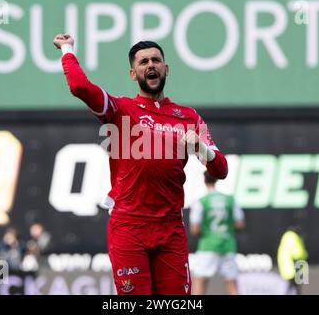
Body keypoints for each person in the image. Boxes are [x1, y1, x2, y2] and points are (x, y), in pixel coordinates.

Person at [53, 34, 228, 295]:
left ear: (166, 69)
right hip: (129, 228)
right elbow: (80, 87)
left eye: (156, 60)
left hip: (170, 230)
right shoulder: (120, 109)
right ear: (133, 73)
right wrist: (67, 49)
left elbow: (221, 171)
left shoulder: (188, 117)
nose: (151, 65)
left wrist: (201, 148)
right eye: (143, 61)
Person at [189, 171, 245, 295]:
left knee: (200, 282)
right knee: (232, 285)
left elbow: (195, 229)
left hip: (208, 245)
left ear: (204, 181)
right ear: (217, 180)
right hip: (227, 244)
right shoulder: (230, 200)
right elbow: (240, 224)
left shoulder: (201, 201)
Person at [277, 226, 308, 295]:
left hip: (286, 269)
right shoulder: (293, 237)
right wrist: (305, 255)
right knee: (296, 288)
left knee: (290, 288)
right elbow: (299, 253)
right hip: (295, 268)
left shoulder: (285, 237)